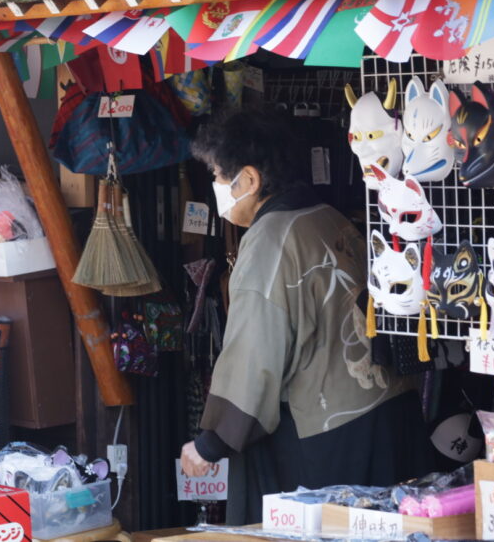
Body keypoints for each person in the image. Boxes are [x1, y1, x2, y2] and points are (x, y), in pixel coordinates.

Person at [180, 112, 433, 524]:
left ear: (248, 179)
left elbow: (255, 353)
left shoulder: (269, 240)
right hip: (389, 410)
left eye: (217, 174)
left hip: (332, 433)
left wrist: (210, 443)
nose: (216, 186)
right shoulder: (325, 215)